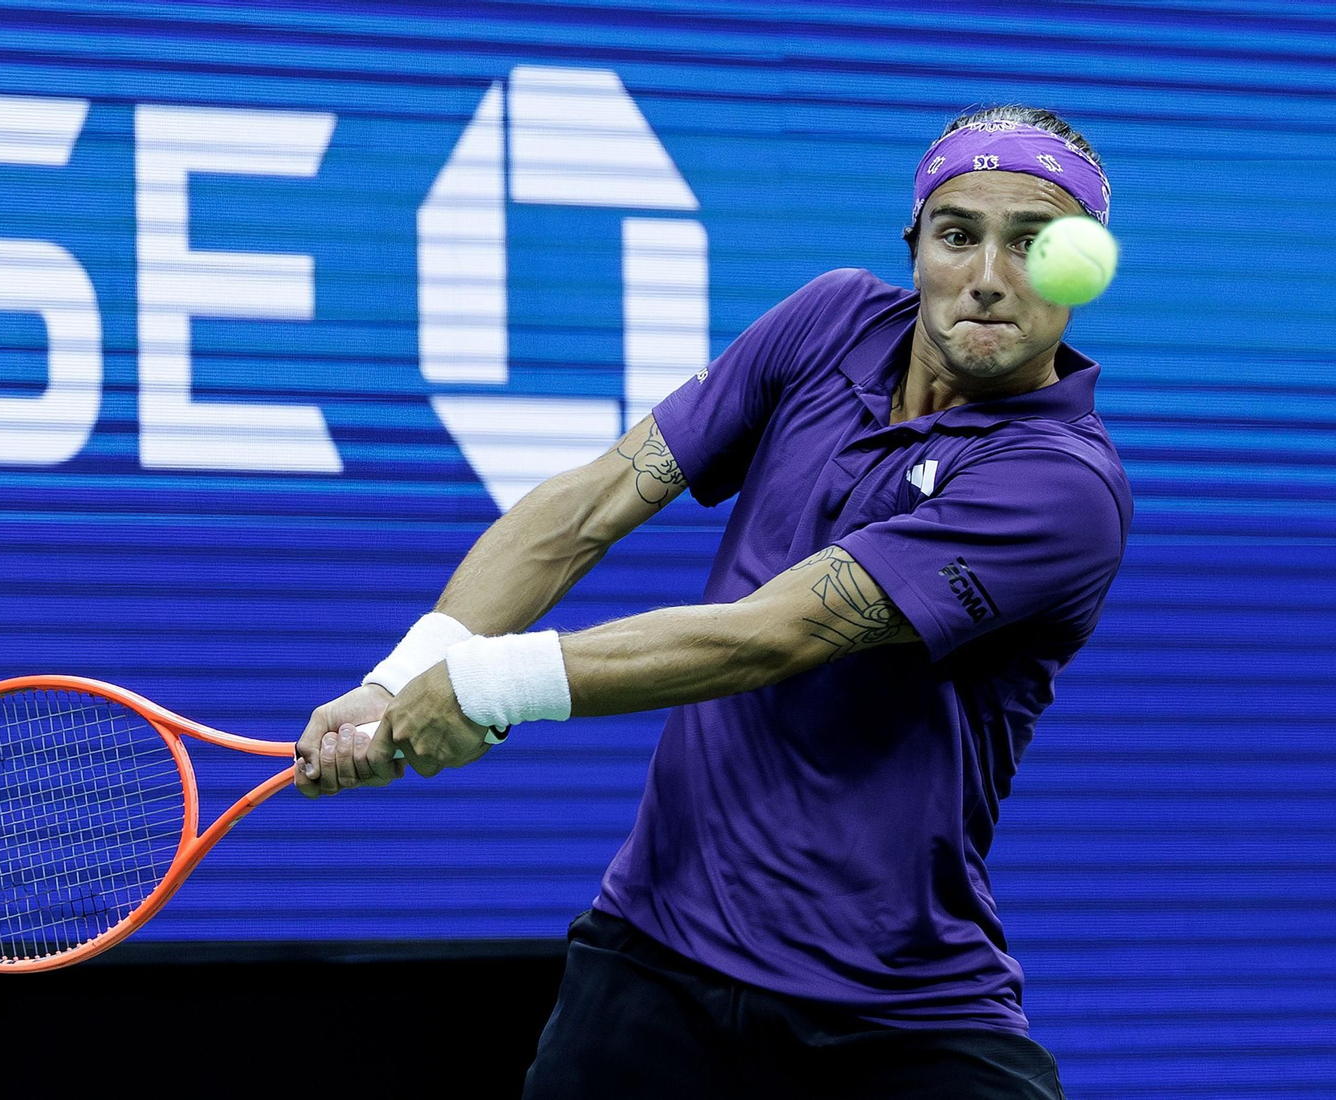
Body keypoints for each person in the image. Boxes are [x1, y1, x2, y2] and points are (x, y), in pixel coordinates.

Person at [294, 104, 1131, 1099]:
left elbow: (775, 633)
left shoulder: (1059, 484)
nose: (989, 276)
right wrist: (400, 675)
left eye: (1032, 242)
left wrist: (483, 681)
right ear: (915, 249)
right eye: (958, 234)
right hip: (654, 960)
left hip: (893, 1012)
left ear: (1083, 266)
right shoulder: (825, 323)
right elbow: (593, 502)